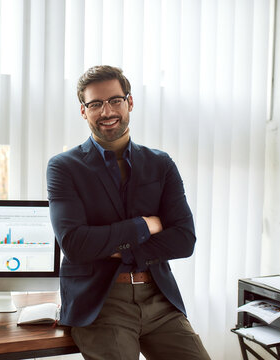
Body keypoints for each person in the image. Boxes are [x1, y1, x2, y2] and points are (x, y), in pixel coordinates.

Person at [46, 65, 210, 360]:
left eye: (115, 100)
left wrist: (114, 247)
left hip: (159, 298)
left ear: (129, 102)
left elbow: (184, 240)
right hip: (102, 302)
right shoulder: (63, 167)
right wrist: (146, 225)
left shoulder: (161, 164)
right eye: (95, 103)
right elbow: (74, 244)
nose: (106, 111)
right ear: (84, 111)